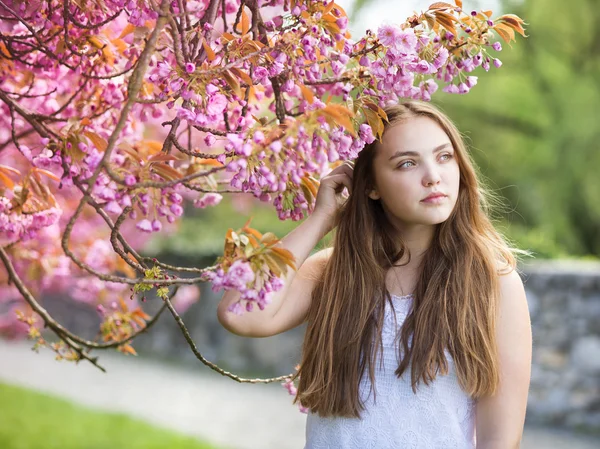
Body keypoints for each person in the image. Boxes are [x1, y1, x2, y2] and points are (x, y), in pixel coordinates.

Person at [217, 100, 532, 448]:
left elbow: (501, 441)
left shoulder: (493, 283)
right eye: (408, 163)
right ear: (371, 185)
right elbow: (240, 314)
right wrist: (321, 218)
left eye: (445, 157)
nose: (434, 176)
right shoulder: (333, 271)